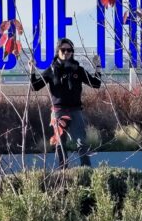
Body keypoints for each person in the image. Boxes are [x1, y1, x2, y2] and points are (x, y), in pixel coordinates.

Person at [30, 38, 102, 168]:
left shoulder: (77, 70)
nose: (66, 52)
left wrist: (97, 66)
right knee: (60, 143)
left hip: (75, 110)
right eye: (63, 50)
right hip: (58, 111)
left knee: (81, 142)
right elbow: (35, 86)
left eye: (69, 50)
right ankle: (63, 172)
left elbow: (96, 84)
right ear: (58, 51)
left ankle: (86, 171)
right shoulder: (51, 70)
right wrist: (32, 71)